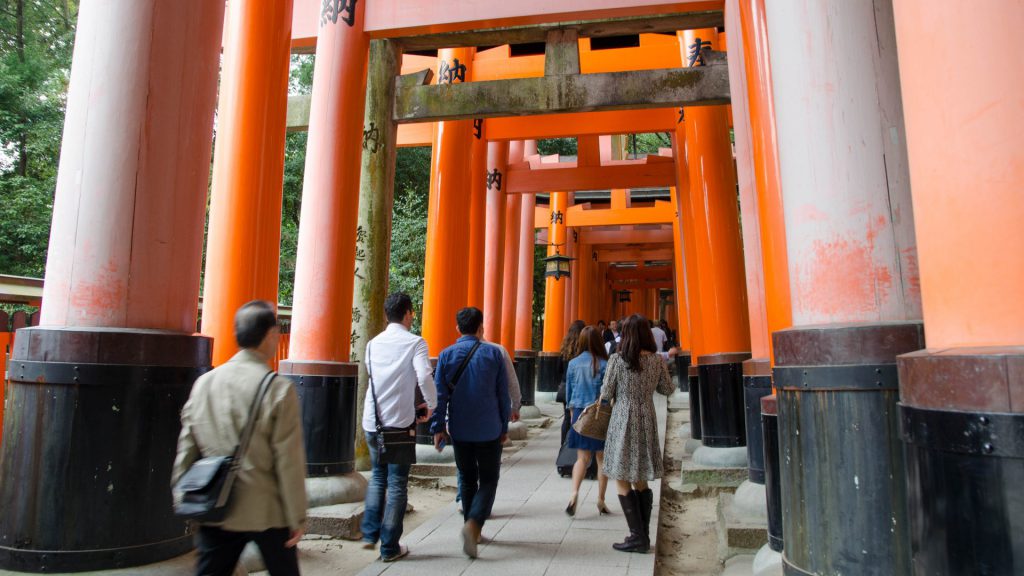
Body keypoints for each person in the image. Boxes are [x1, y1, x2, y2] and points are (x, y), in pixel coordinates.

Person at [172, 300, 307, 576]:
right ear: (270, 335)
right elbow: (288, 460)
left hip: (217, 504)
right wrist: (297, 515)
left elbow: (187, 444)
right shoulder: (278, 389)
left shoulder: (205, 383)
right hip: (267, 509)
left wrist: (181, 491)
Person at [360, 293, 437, 562]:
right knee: (397, 483)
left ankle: (370, 533)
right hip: (399, 425)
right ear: (408, 313)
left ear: (386, 315)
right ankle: (390, 546)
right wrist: (432, 404)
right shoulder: (415, 343)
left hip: (373, 421)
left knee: (377, 476)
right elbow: (424, 375)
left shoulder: (371, 344)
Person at [431, 307, 510, 559]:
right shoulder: (494, 354)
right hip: (489, 429)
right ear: (481, 327)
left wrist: (438, 428)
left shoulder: (445, 355)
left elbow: (439, 396)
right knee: (488, 479)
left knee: (466, 479)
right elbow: (503, 394)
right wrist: (504, 427)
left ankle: (471, 527)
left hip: (461, 429)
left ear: (457, 328)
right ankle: (474, 524)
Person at [600, 314, 675, 553]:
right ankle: (642, 536)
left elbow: (606, 394)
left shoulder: (617, 361)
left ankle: (637, 536)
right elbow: (667, 389)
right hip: (646, 416)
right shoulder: (655, 361)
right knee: (640, 475)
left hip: (622, 417)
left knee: (621, 475)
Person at [564, 326, 611, 517]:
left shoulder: (573, 363)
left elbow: (569, 392)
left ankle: (574, 493)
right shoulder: (604, 364)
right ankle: (600, 500)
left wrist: (571, 413)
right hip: (599, 415)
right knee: (602, 460)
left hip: (579, 415)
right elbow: (607, 393)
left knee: (582, 458)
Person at [559, 320, 586, 444]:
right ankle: (579, 443)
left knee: (567, 417)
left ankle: (564, 445)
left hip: (566, 385)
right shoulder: (583, 349)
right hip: (581, 385)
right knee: (581, 416)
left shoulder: (564, 348)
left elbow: (558, 369)